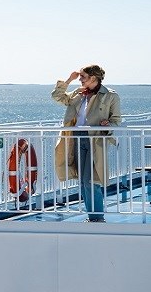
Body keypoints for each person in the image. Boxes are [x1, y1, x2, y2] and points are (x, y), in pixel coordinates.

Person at [51, 64, 121, 222]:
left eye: (83, 76)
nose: (80, 79)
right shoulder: (78, 92)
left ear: (93, 78)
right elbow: (57, 96)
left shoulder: (110, 96)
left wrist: (108, 125)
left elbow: (116, 121)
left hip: (95, 140)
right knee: (83, 180)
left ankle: (97, 218)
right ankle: (93, 217)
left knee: (92, 179)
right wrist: (69, 79)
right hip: (76, 138)